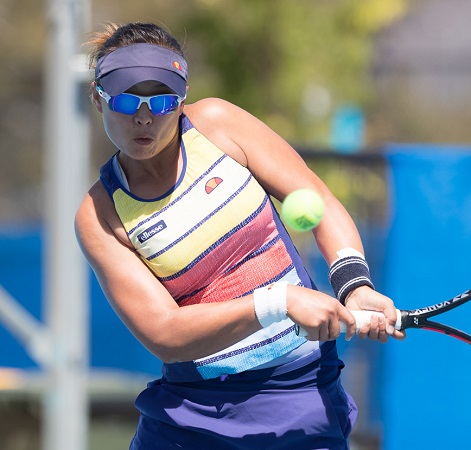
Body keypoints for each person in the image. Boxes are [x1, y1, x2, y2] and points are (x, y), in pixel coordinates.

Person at [74, 22, 404, 450]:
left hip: (305, 400)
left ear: (183, 99)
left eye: (162, 101)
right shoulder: (99, 213)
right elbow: (166, 333)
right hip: (192, 421)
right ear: (99, 99)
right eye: (125, 100)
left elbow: (317, 200)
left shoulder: (219, 124)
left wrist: (355, 286)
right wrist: (279, 302)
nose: (144, 116)